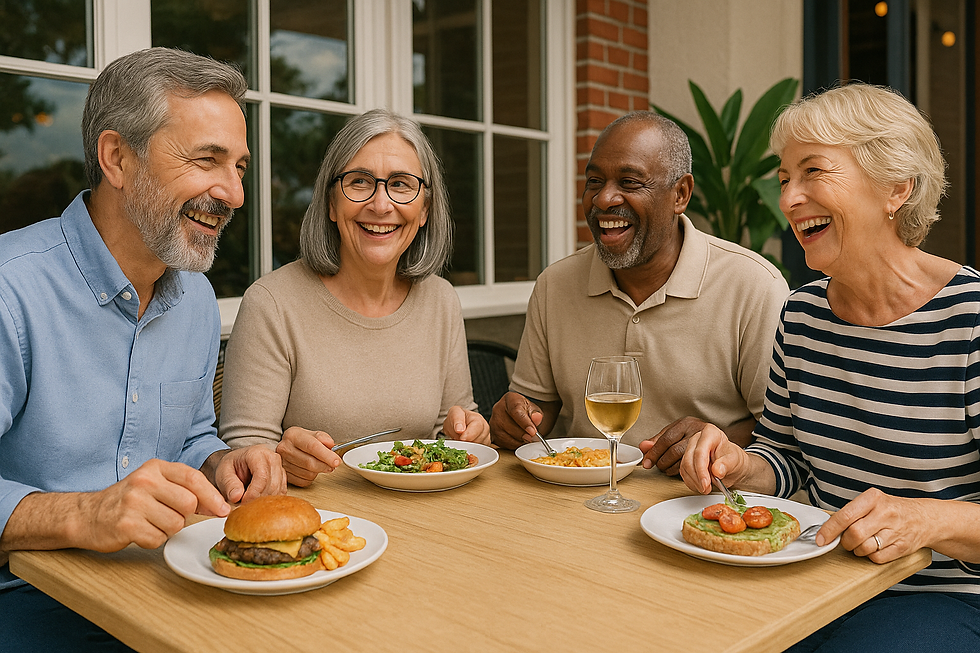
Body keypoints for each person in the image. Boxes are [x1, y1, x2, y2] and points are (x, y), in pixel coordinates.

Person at [0, 48, 286, 651]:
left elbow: (191, 436)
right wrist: (83, 515)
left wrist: (220, 463)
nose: (234, 193)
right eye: (207, 160)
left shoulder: (198, 300)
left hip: (171, 589)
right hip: (27, 606)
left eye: (238, 166)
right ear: (117, 158)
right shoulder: (9, 290)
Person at [679, 83, 980, 652]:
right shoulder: (803, 313)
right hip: (816, 576)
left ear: (896, 186)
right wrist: (741, 464)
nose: (789, 198)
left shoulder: (970, 321)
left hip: (942, 598)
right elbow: (788, 460)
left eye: (813, 172)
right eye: (784, 176)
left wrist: (929, 521)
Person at [489, 112, 789, 474]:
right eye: (594, 181)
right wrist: (519, 416)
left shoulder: (754, 287)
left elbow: (779, 435)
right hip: (575, 499)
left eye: (629, 182)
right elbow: (539, 405)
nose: (603, 199)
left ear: (680, 194)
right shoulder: (555, 284)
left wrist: (716, 440)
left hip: (694, 506)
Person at [219, 109, 489, 487]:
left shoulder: (441, 300)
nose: (381, 205)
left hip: (428, 520)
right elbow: (241, 453)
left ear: (425, 209)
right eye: (360, 182)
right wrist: (280, 457)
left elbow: (453, 430)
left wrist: (469, 433)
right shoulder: (271, 304)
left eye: (401, 184)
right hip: (319, 525)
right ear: (331, 203)